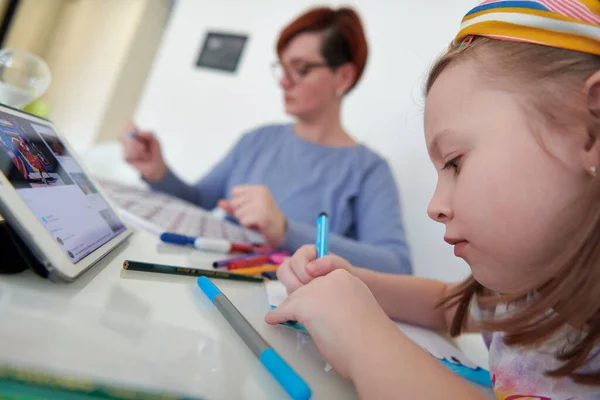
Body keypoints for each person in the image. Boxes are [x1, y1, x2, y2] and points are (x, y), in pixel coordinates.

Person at [265, 1, 600, 398]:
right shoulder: (534, 289)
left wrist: (360, 336)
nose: (434, 205)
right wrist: (353, 282)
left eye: (455, 163)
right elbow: (449, 304)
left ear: (590, 131)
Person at [123, 7, 412, 274]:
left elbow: (397, 267)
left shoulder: (369, 170)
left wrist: (285, 229)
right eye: (283, 69)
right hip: (214, 277)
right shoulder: (256, 141)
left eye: (300, 69)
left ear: (343, 77)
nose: (285, 82)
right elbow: (200, 201)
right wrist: (158, 173)